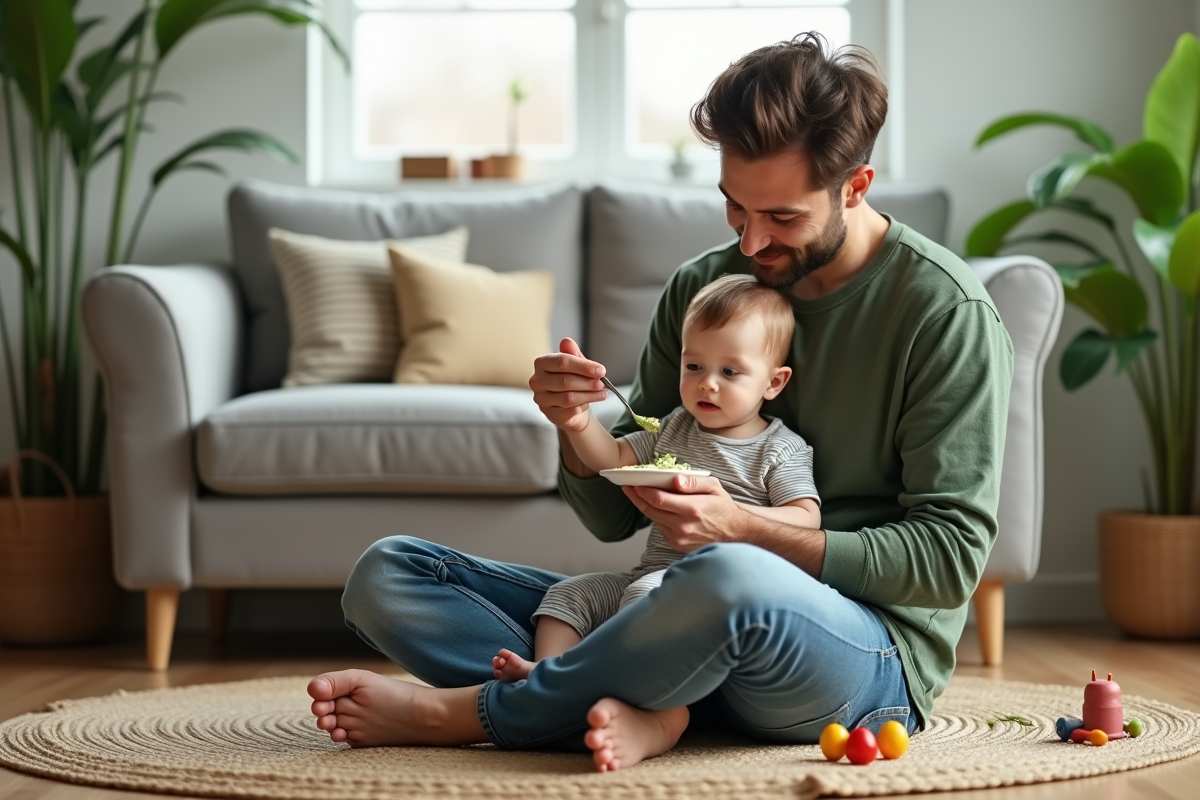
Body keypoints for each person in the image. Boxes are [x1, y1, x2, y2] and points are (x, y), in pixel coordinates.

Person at [307, 31, 1013, 774]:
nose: (751, 242)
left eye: (782, 218)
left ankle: (472, 711)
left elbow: (946, 560)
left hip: (858, 658)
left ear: (856, 186)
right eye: (734, 208)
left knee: (730, 576)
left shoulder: (944, 313)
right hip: (666, 606)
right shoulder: (704, 287)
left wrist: (742, 528)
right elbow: (614, 517)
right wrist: (573, 422)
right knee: (389, 577)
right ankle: (645, 698)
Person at [491, 274, 821, 684]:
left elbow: (807, 518)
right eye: (694, 366)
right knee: (568, 594)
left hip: (712, 590)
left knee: (645, 594)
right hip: (651, 572)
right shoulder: (675, 428)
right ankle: (548, 680)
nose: (707, 382)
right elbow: (610, 456)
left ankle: (589, 683)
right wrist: (578, 424)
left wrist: (733, 515)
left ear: (773, 382)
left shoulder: (780, 448)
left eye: (730, 371)